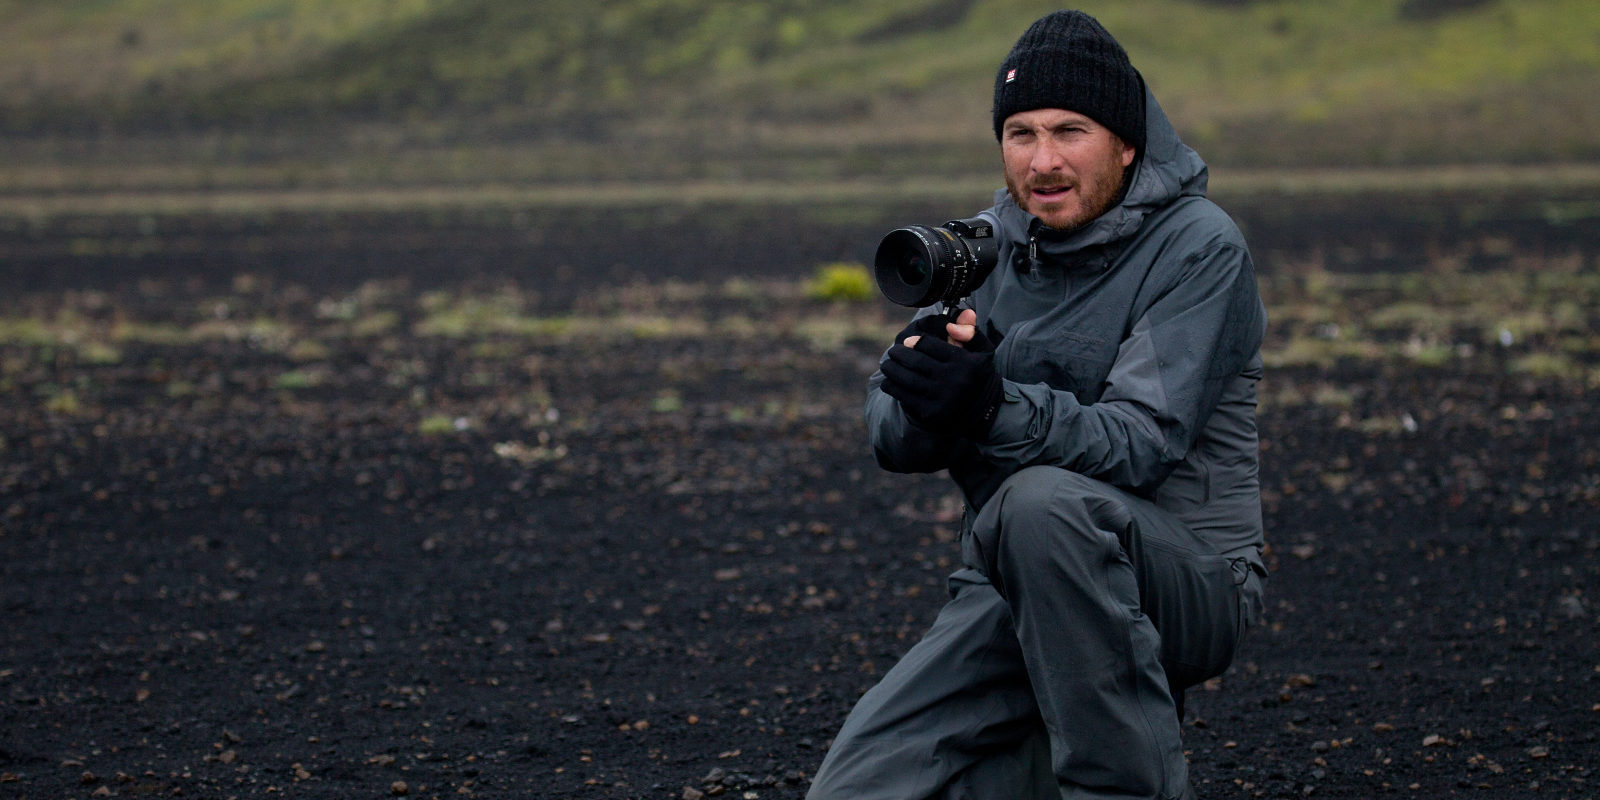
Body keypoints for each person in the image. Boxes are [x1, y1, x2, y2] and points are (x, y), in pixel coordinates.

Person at [807, 9, 1268, 800]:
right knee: (860, 787)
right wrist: (931, 402)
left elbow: (1143, 443)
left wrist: (990, 409)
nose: (1043, 161)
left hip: (1187, 577)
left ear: (1127, 143)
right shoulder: (989, 246)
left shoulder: (1200, 246)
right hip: (1013, 576)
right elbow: (887, 431)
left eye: (1070, 130)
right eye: (1020, 133)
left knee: (1038, 504)